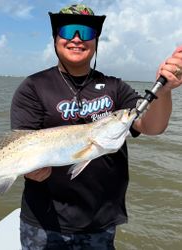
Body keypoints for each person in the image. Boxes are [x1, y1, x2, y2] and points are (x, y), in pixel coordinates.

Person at [10, 4, 182, 250]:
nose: (77, 39)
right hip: (43, 222)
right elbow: (19, 145)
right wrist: (29, 170)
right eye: (69, 31)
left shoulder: (115, 87)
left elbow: (150, 126)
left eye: (86, 32)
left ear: (96, 40)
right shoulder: (33, 87)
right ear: (56, 38)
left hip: (100, 220)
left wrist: (164, 91)